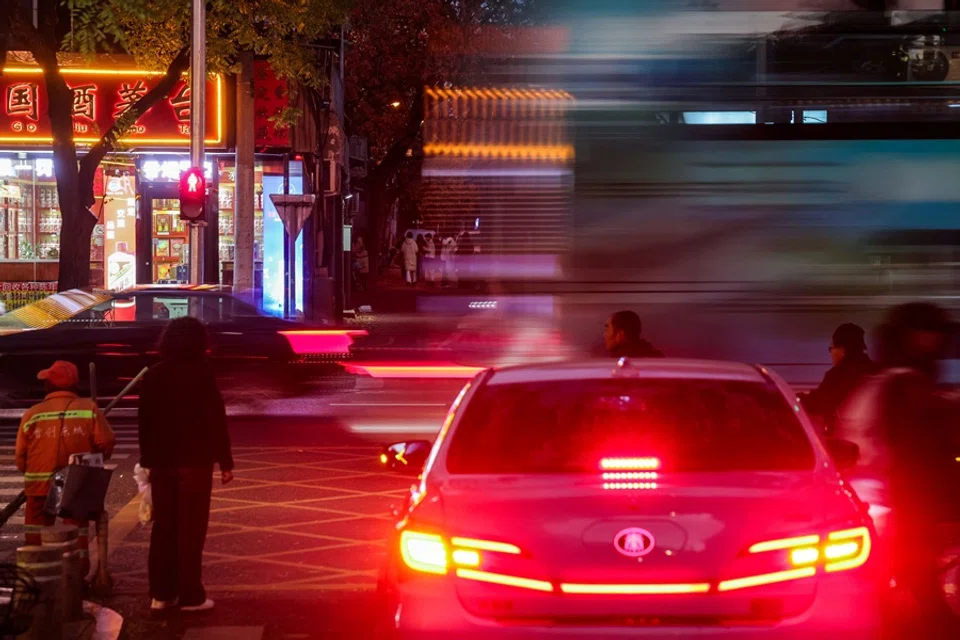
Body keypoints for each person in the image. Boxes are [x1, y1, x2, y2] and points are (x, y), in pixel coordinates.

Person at [835, 303, 960, 634]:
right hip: (900, 507)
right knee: (920, 599)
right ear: (915, 337)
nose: (938, 342)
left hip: (871, 507)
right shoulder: (907, 384)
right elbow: (918, 456)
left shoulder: (878, 381)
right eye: (931, 334)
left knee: (902, 596)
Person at [139, 317, 234, 613]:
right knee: (191, 532)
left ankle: (162, 594)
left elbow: (145, 422)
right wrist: (225, 461)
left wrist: (147, 461)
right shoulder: (203, 375)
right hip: (195, 462)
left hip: (163, 463)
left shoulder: (153, 376)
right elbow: (215, 420)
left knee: (164, 528)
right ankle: (191, 594)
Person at [15, 360, 115, 575]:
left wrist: (32, 473)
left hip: (38, 483)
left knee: (36, 528)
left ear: (49, 386)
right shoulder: (88, 409)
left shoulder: (33, 413)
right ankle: (76, 572)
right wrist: (95, 461)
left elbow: (20, 455)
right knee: (76, 526)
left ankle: (37, 571)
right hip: (75, 483)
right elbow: (106, 442)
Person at [800, 323, 877, 434]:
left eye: (832, 348)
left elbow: (818, 402)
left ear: (842, 349)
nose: (831, 352)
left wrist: (793, 399)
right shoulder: (876, 371)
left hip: (847, 441)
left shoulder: (837, 376)